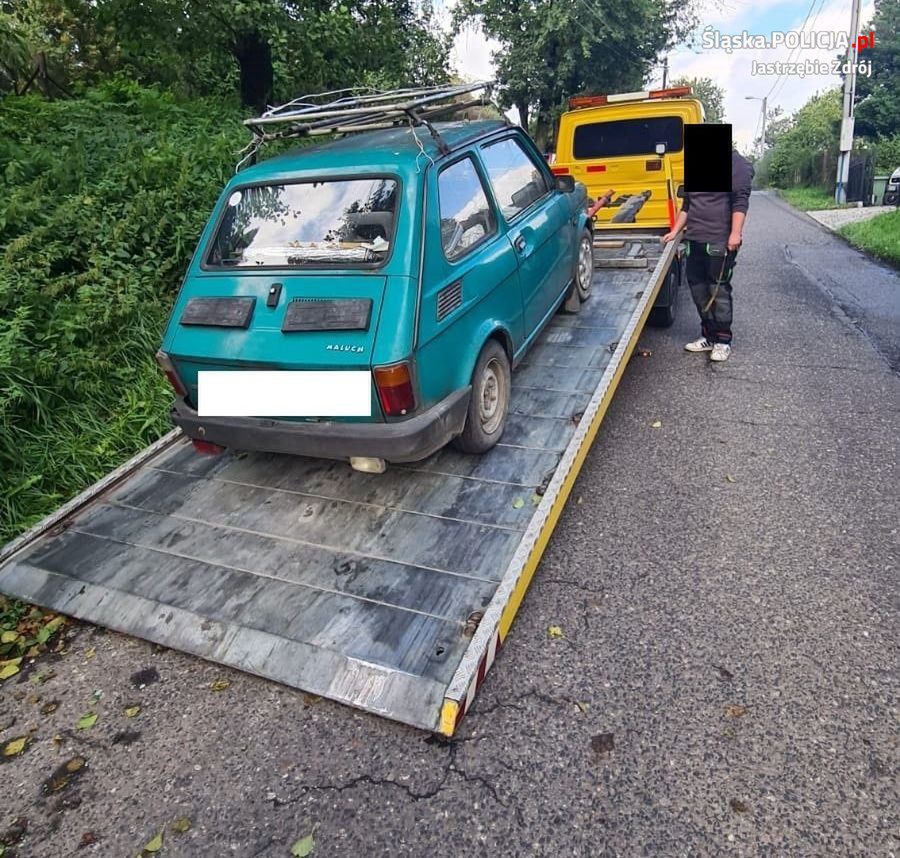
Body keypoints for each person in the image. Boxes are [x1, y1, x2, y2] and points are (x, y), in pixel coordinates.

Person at [662, 149, 754, 362]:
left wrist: (735, 233)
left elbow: (740, 201)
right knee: (698, 289)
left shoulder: (735, 164)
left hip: (719, 241)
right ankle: (708, 336)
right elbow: (687, 204)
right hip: (695, 240)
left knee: (718, 290)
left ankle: (723, 340)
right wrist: (675, 231)